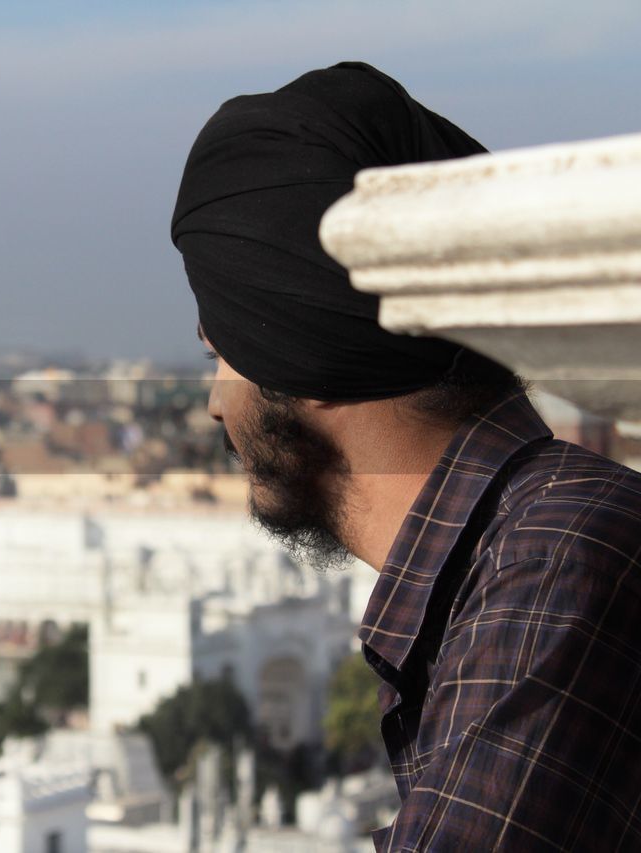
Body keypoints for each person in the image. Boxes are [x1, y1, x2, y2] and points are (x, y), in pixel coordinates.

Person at [171, 61, 641, 851]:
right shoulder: (521, 547)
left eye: (222, 357)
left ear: (299, 360)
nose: (216, 403)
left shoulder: (558, 558)